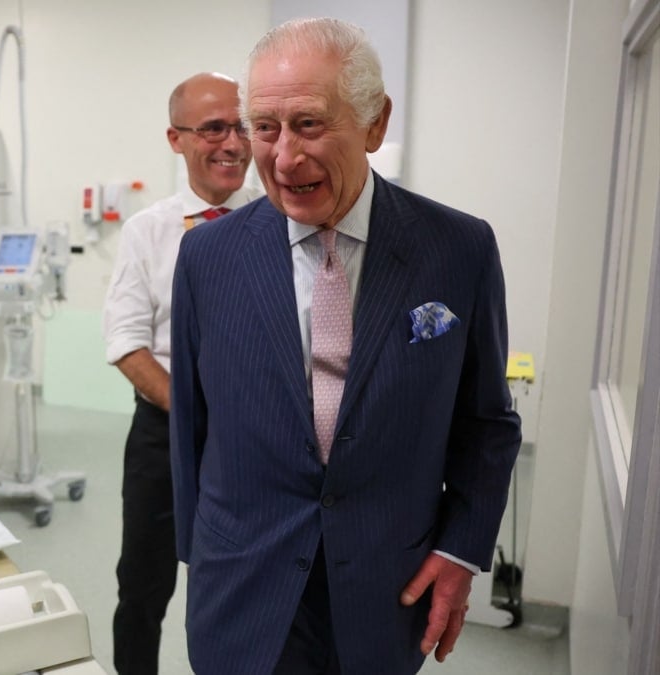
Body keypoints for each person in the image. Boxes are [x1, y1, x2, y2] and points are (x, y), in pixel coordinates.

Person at [169, 18, 522, 674]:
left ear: (375, 124)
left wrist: (461, 549)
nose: (282, 158)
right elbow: (191, 424)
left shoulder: (458, 249)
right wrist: (201, 556)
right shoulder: (206, 255)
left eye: (308, 124)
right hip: (242, 589)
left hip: (387, 589)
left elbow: (487, 424)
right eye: (264, 127)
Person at [103, 71, 258, 674]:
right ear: (177, 139)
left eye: (243, 126)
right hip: (164, 434)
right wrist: (194, 410)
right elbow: (125, 341)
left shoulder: (279, 223)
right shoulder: (148, 231)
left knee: (244, 584)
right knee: (141, 586)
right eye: (214, 128)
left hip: (253, 438)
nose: (233, 143)